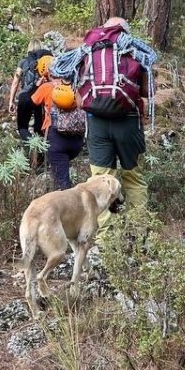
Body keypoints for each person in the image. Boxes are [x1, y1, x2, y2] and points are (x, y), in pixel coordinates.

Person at [51, 17, 156, 230]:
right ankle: (139, 230)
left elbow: (77, 97)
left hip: (96, 124)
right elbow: (148, 91)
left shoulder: (86, 52)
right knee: (132, 177)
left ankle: (106, 237)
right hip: (128, 123)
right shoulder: (132, 50)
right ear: (124, 31)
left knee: (100, 180)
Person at [32, 78, 85, 190]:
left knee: (62, 182)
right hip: (77, 138)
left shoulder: (47, 87)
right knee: (63, 170)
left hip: (56, 138)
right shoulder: (79, 86)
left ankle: (66, 202)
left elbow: (33, 101)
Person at [8, 40, 53, 145]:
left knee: (23, 127)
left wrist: (11, 101)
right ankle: (40, 152)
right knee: (39, 128)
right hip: (40, 98)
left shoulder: (23, 62)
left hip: (25, 97)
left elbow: (15, 82)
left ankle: (32, 146)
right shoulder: (46, 62)